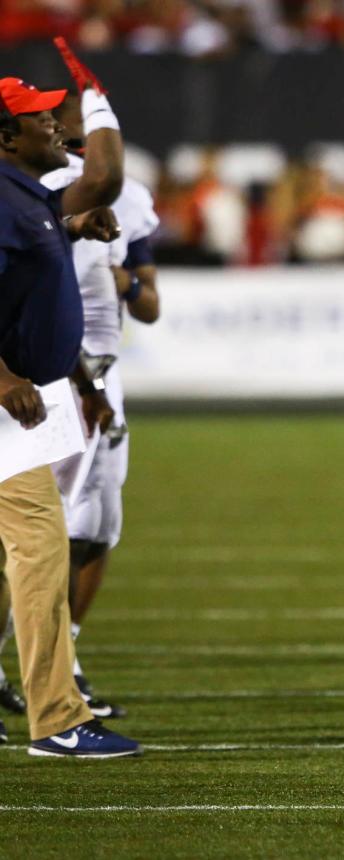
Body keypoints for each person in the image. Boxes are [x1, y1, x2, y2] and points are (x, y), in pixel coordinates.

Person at [0, 62, 140, 757]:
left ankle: (54, 705)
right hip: (8, 404)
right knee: (40, 549)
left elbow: (32, 290)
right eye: (38, 114)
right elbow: (106, 175)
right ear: (4, 135)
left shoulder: (23, 194)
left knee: (35, 551)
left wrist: (74, 227)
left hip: (37, 393)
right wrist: (1, 375)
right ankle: (55, 717)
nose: (55, 123)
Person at [41, 89, 162, 721]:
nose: (58, 126)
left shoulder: (129, 197)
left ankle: (66, 661)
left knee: (97, 527)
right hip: (53, 370)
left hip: (96, 374)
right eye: (45, 116)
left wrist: (126, 280)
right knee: (42, 529)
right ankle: (49, 672)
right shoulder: (35, 189)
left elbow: (149, 302)